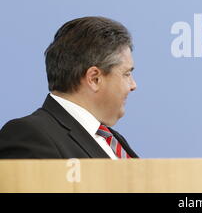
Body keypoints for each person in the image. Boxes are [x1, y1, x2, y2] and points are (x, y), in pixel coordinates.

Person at [0, 16, 139, 159]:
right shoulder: (29, 135)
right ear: (94, 78)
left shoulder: (113, 139)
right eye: (127, 74)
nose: (133, 85)